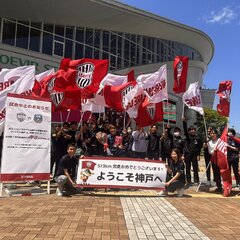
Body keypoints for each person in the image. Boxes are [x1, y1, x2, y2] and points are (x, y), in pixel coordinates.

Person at [182, 117, 203, 185]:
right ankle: (188, 181)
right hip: (187, 154)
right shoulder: (188, 137)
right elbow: (185, 130)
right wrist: (184, 122)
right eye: (191, 130)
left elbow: (200, 146)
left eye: (194, 129)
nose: (193, 131)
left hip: (195, 155)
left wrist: (198, 154)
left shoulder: (198, 138)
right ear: (189, 131)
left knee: (195, 168)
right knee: (187, 168)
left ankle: (196, 181)